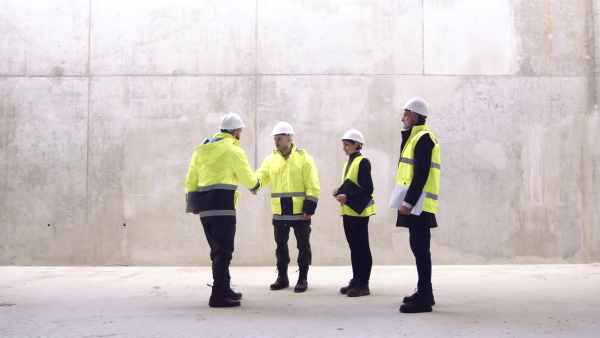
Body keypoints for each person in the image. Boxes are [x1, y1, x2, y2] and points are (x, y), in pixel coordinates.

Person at [184, 112, 261, 308]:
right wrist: (256, 185)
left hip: (204, 205)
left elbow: (191, 177)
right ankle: (218, 295)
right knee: (224, 251)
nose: (240, 134)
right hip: (223, 203)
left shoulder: (201, 150)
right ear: (235, 132)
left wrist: (193, 203)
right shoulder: (233, 151)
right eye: (240, 131)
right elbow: (247, 177)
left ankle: (225, 288)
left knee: (217, 249)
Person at [253, 122, 321, 293]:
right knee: (280, 245)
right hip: (279, 211)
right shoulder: (270, 159)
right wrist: (255, 184)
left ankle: (302, 278)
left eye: (280, 139)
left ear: (289, 139)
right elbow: (262, 174)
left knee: (303, 245)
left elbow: (313, 185)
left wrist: (309, 208)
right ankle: (282, 278)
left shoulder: (304, 158)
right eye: (275, 139)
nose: (276, 142)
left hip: (300, 211)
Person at [394, 98, 441, 313]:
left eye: (405, 114)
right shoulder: (414, 138)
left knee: (421, 250)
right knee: (419, 248)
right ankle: (425, 292)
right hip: (416, 203)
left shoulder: (423, 138)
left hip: (419, 204)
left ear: (415, 116)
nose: (402, 118)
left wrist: (408, 202)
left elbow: (421, 174)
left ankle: (424, 298)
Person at [333, 129, 376, 297]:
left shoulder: (363, 162)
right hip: (349, 210)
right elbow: (352, 184)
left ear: (356, 145)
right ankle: (356, 279)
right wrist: (340, 190)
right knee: (354, 248)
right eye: (343, 145)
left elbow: (368, 189)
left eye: (346, 145)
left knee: (362, 247)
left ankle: (364, 284)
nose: (344, 148)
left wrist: (347, 196)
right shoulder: (348, 163)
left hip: (360, 212)